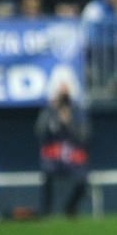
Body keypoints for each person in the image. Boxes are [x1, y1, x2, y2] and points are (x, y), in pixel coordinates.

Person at [35, 85, 89, 217]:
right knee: (47, 176)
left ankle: (70, 208)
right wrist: (56, 122)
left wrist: (69, 123)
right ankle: (46, 211)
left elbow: (85, 136)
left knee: (83, 180)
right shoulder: (49, 112)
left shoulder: (77, 113)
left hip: (73, 157)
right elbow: (40, 133)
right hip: (54, 158)